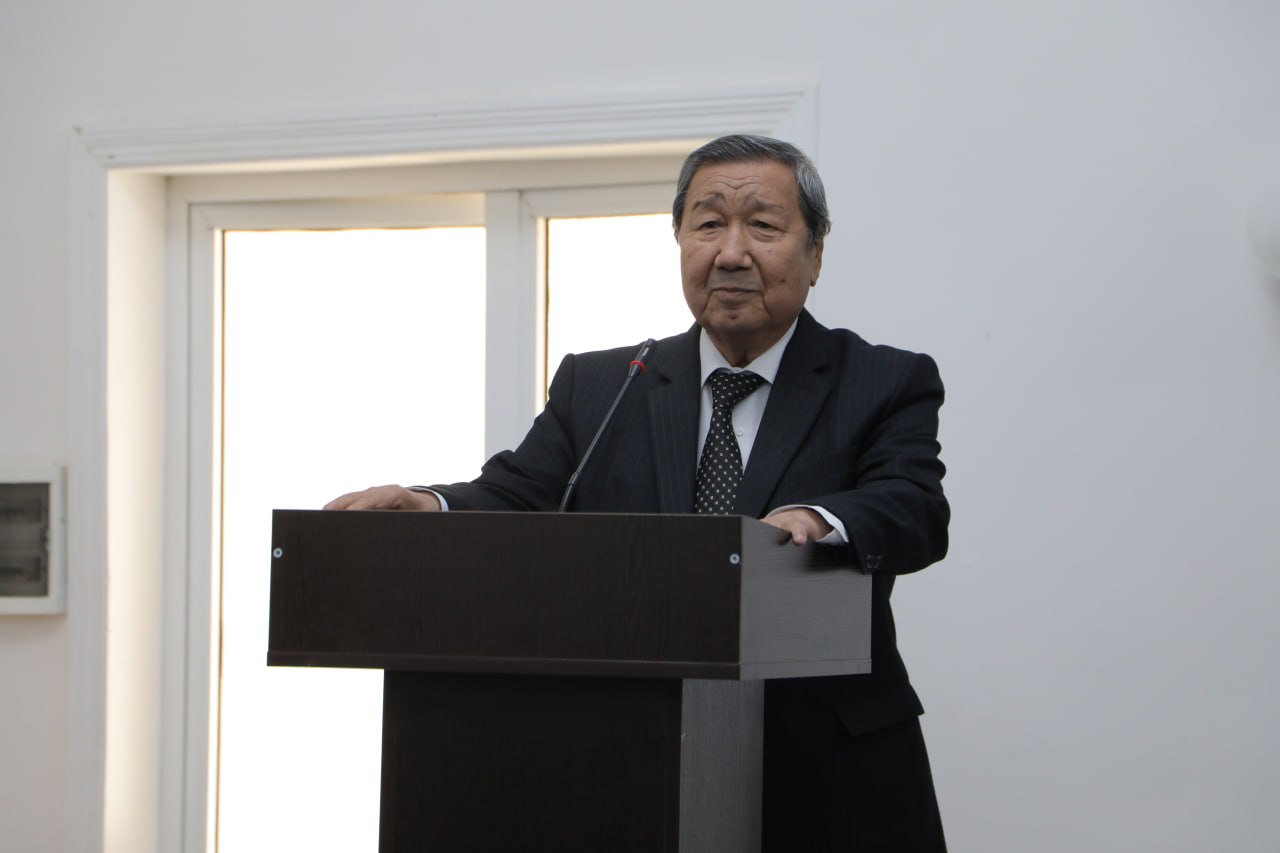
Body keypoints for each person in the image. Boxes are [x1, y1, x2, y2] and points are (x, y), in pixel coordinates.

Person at [326, 134, 949, 851]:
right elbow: (521, 495)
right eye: (708, 223)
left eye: (763, 225)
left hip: (831, 769)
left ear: (815, 254)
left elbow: (915, 506)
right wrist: (428, 505)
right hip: (633, 764)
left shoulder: (882, 380)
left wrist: (820, 516)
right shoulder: (606, 384)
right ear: (680, 240)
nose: (731, 252)